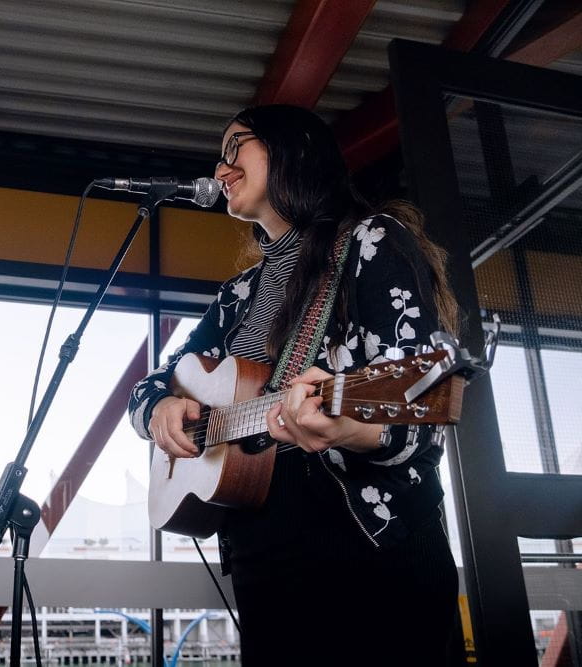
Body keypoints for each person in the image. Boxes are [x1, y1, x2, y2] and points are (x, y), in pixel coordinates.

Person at [128, 105, 461, 665]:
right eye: (220, 153)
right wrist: (160, 406)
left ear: (293, 150)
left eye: (237, 146)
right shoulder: (238, 294)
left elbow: (424, 408)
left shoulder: (373, 242)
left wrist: (350, 427)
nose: (221, 164)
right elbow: (153, 383)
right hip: (262, 554)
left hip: (369, 548)